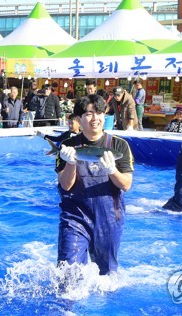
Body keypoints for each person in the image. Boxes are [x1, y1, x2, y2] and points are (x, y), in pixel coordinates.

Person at [56, 94, 134, 275]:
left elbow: (126, 185)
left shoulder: (119, 146)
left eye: (99, 113)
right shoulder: (67, 146)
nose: (95, 118)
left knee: (106, 277)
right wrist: (70, 162)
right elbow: (66, 186)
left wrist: (112, 170)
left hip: (109, 218)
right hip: (75, 217)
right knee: (68, 274)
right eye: (89, 114)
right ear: (79, 119)